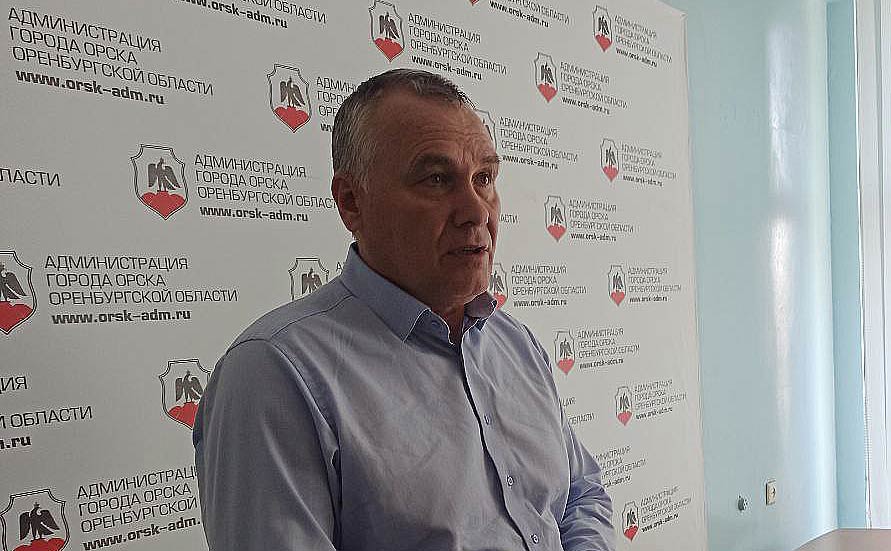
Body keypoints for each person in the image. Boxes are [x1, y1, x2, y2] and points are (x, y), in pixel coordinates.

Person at [193, 68, 615, 551]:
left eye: (484, 178)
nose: (477, 211)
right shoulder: (273, 375)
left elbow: (582, 494)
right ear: (351, 203)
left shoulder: (515, 343)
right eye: (436, 179)